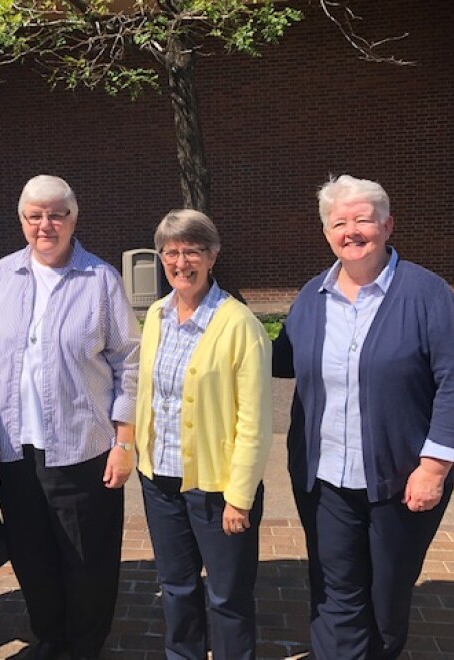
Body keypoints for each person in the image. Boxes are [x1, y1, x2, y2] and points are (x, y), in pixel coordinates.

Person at [272, 175, 454, 660]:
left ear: (387, 226)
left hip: (401, 480)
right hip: (325, 479)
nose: (351, 231)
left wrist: (434, 467)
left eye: (362, 220)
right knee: (335, 593)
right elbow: (280, 359)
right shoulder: (313, 296)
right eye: (338, 222)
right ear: (327, 232)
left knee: (386, 598)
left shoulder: (425, 293)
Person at [0, 175, 140, 660]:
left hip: (84, 447)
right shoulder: (0, 276)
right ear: (22, 220)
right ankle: (50, 639)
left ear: (73, 218)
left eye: (56, 214)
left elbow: (129, 360)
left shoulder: (100, 278)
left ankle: (84, 646)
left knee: (86, 560)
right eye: (34, 216)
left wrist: (124, 441)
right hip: (15, 451)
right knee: (32, 556)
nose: (45, 225)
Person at [134, 209, 273, 659]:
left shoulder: (239, 326)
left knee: (227, 597)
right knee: (175, 586)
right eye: (170, 252)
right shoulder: (155, 315)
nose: (180, 262)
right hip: (160, 481)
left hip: (217, 489)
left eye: (192, 251)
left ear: (212, 256)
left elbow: (254, 420)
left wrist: (240, 495)